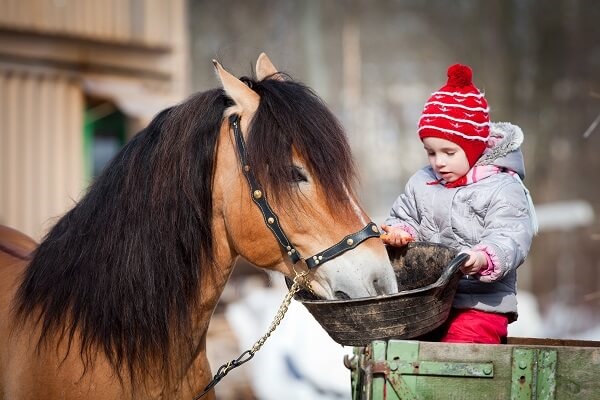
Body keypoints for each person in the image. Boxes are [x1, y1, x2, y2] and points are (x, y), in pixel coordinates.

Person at [381, 64, 537, 344]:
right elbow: (405, 215)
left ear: (474, 148)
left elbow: (510, 236)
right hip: (428, 301)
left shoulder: (503, 187)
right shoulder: (422, 182)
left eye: (449, 152)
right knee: (402, 346)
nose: (438, 161)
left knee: (460, 350)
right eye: (431, 152)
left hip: (481, 304)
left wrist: (482, 258)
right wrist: (399, 232)